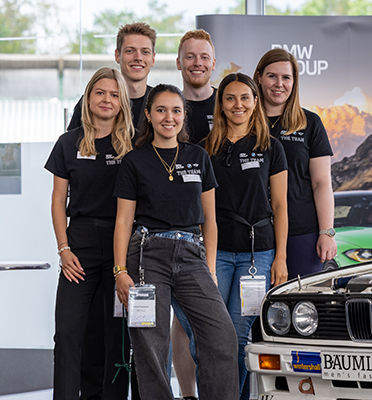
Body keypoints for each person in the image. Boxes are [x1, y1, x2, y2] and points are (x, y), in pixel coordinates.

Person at [113, 84, 238, 400]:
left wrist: (209, 268)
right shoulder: (134, 161)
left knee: (222, 335)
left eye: (176, 110)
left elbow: (210, 219)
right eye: (161, 110)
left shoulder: (198, 156)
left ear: (184, 115)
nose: (169, 117)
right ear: (148, 115)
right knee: (151, 343)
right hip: (147, 254)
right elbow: (124, 221)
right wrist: (120, 271)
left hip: (192, 253)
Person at [45, 67, 134, 400]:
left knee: (115, 334)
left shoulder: (134, 144)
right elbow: (57, 200)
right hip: (79, 246)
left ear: (122, 101)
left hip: (120, 248)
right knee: (67, 333)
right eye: (100, 92)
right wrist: (63, 249)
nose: (106, 99)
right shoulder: (69, 142)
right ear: (88, 97)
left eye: (113, 94)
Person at [204, 72, 288, 399]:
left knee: (238, 337)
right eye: (230, 98)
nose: (238, 104)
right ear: (221, 104)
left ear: (255, 102)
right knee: (212, 336)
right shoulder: (205, 150)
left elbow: (280, 205)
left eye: (245, 98)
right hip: (218, 253)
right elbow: (203, 213)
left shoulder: (272, 148)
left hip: (258, 254)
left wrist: (280, 258)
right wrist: (207, 262)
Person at [254, 48, 337, 278]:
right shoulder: (243, 123)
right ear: (259, 78)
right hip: (253, 235)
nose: (279, 84)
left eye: (286, 77)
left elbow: (321, 183)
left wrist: (326, 232)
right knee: (252, 309)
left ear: (294, 82)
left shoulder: (310, 123)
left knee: (300, 306)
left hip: (301, 233)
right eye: (272, 76)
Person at [171, 28, 218, 400]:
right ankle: (187, 395)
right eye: (190, 56)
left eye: (203, 57)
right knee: (181, 322)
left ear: (213, 63)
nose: (197, 63)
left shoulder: (233, 103)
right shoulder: (168, 107)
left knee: (223, 323)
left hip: (227, 226)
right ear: (179, 62)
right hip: (180, 230)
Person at [68, 22, 157, 131]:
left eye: (145, 52)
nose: (138, 57)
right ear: (117, 55)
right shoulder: (93, 101)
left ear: (152, 59)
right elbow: (71, 144)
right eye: (130, 51)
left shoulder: (161, 103)